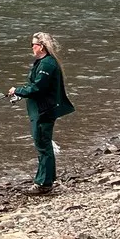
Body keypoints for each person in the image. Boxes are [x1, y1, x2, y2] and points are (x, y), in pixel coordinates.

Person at [7, 32, 74, 196]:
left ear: (41, 46)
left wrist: (18, 90)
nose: (32, 48)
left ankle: (44, 183)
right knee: (43, 144)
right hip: (41, 109)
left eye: (33, 45)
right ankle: (46, 179)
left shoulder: (47, 65)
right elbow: (36, 86)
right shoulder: (43, 63)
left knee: (43, 145)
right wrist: (21, 94)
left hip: (44, 111)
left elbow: (37, 88)